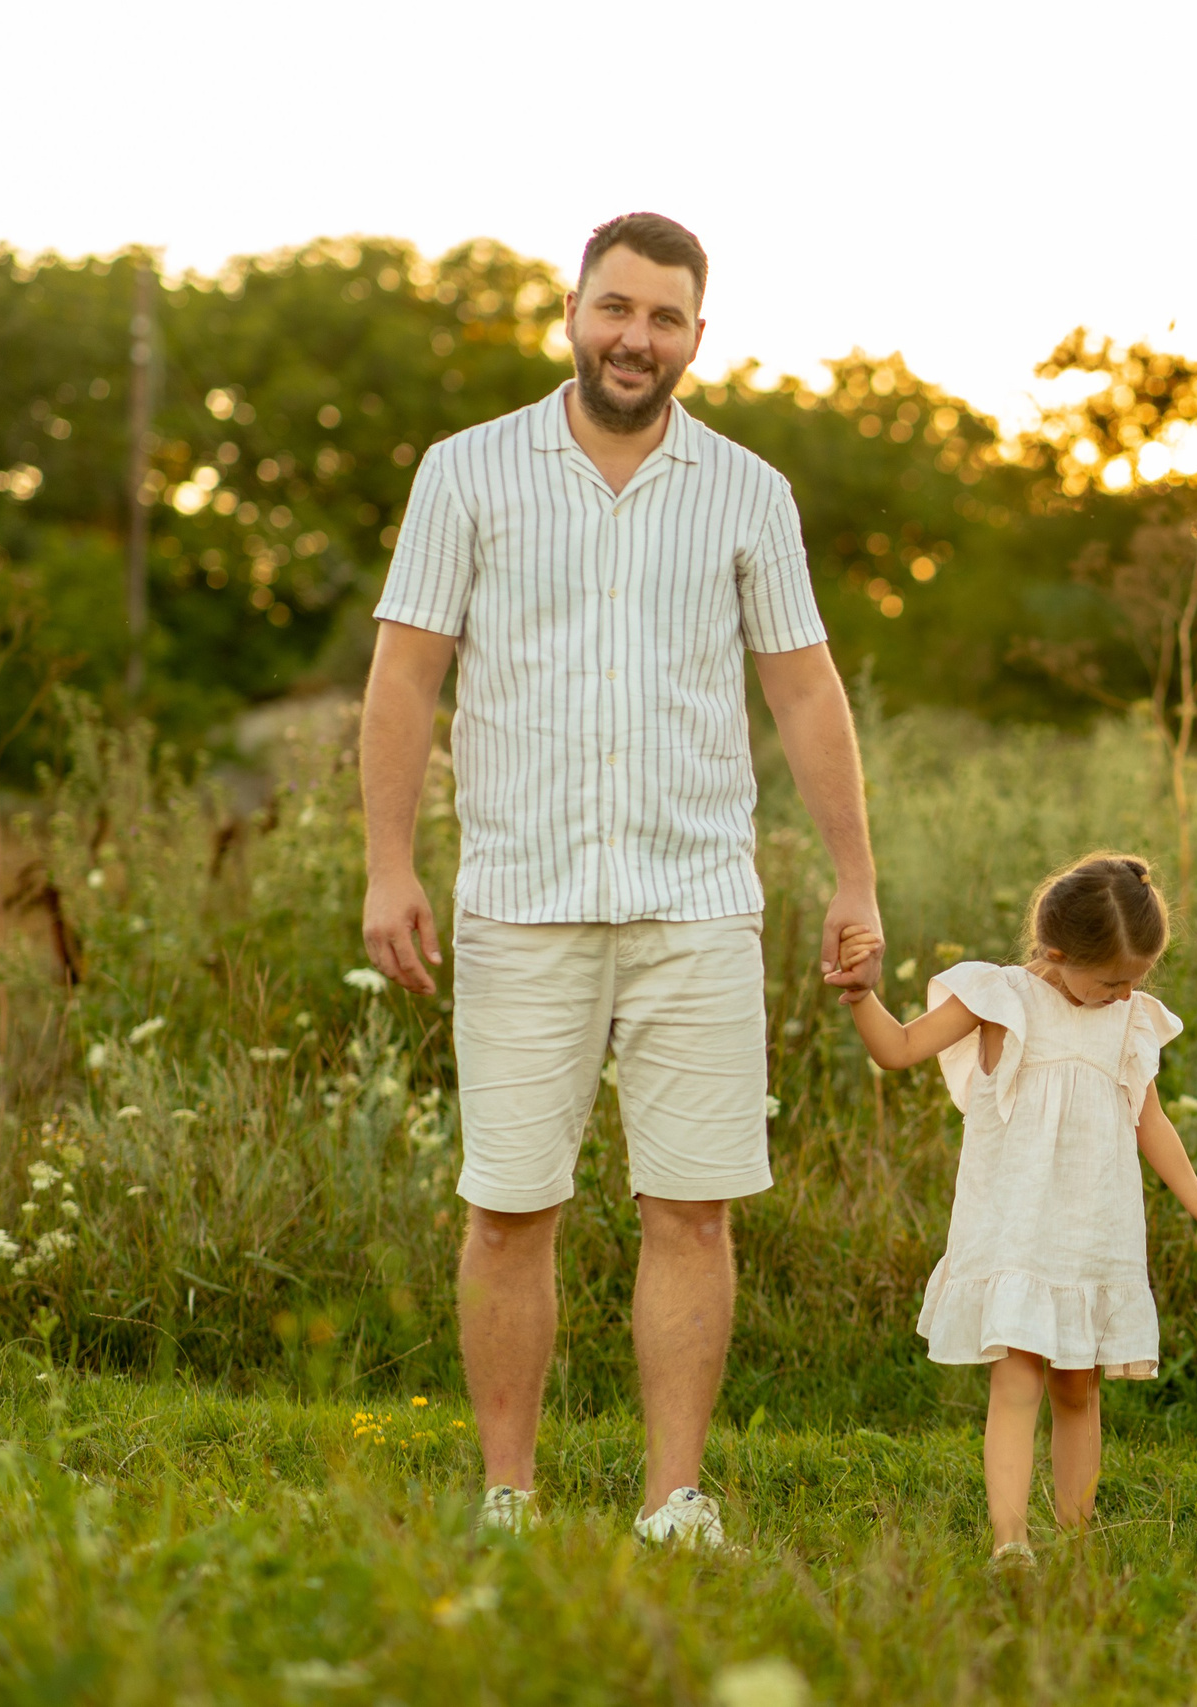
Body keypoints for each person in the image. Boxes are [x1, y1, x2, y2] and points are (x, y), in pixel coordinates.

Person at [358, 212, 882, 1551]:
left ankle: (672, 1499)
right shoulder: (465, 472)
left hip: (694, 900)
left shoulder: (749, 492)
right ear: (573, 313)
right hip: (519, 894)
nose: (634, 338)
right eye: (615, 308)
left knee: (691, 1209)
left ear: (697, 335)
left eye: (663, 317)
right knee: (508, 1207)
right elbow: (405, 676)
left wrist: (853, 877)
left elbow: (805, 690)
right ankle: (508, 1495)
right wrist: (388, 863)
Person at [833, 854, 1197, 1567]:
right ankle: (1011, 1541)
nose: (1126, 993)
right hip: (1018, 1227)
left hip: (1093, 1230)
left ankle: (1076, 1538)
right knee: (1018, 1377)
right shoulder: (1000, 998)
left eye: (1137, 980)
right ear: (1057, 953)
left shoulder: (1129, 1021)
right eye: (1112, 980)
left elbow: (1150, 1121)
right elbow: (898, 1049)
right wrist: (861, 994)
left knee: (1078, 1389)